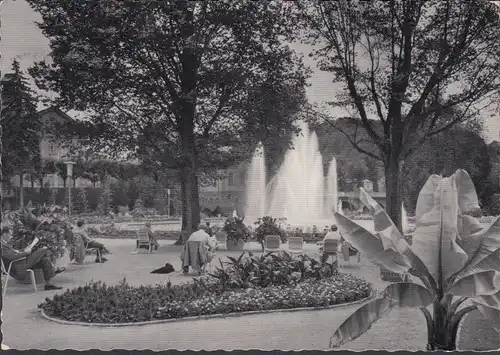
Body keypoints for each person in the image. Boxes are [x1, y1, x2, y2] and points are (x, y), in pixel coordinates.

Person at [1, 226, 65, 291]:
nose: (11, 236)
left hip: (21, 263)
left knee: (45, 260)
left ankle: (49, 285)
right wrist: (25, 253)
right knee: (43, 249)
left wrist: (25, 249)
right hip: (18, 267)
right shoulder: (2, 245)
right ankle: (54, 269)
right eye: (10, 234)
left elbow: (15, 252)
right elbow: (13, 257)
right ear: (4, 234)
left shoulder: (5, 244)